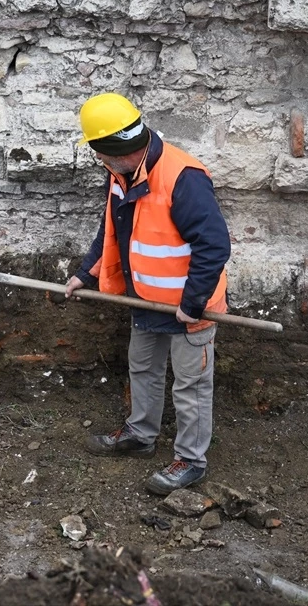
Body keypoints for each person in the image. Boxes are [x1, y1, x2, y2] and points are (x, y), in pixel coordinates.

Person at [66, 93, 231, 495]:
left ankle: (191, 460)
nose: (100, 163)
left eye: (100, 155)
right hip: (144, 300)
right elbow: (112, 229)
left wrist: (193, 305)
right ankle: (140, 435)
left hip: (189, 307)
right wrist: (85, 275)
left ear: (113, 150)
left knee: (190, 385)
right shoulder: (122, 173)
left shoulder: (183, 177)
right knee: (143, 369)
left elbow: (214, 246)